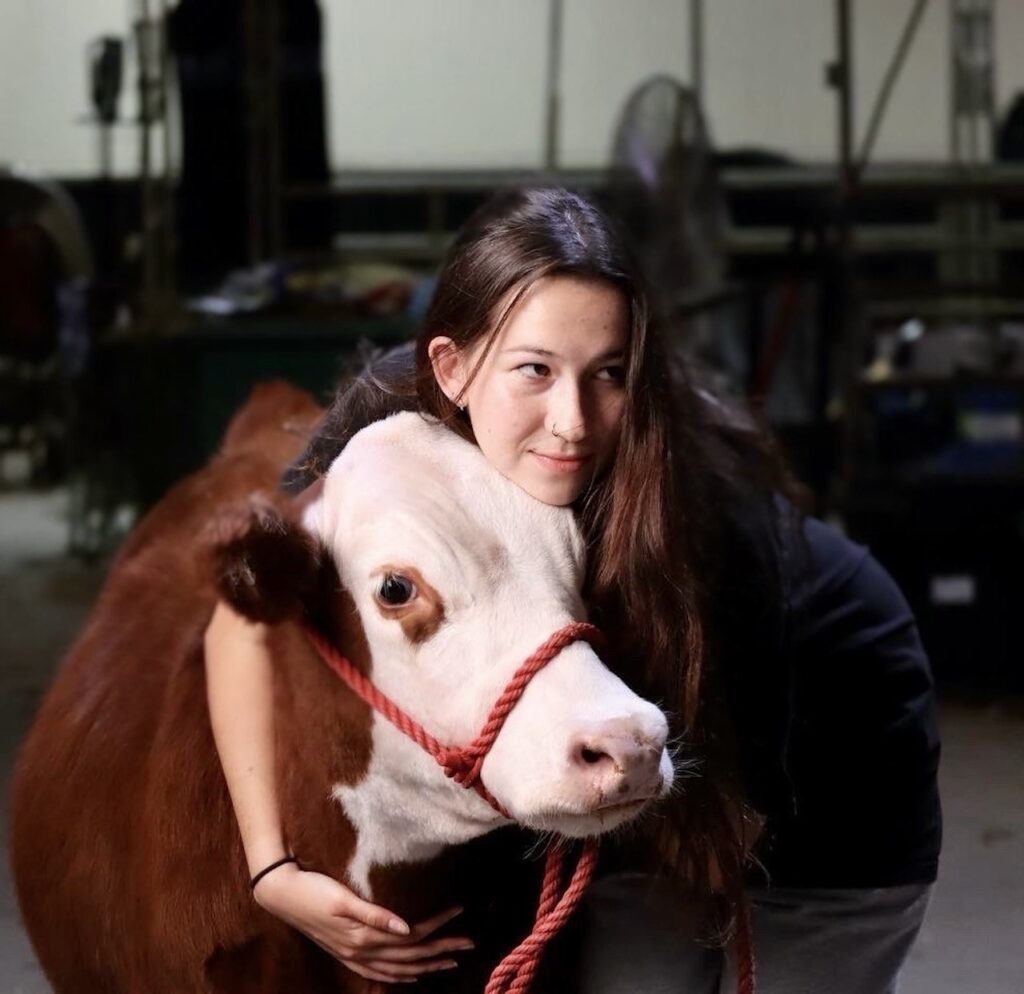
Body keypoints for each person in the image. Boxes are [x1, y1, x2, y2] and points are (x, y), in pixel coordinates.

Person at [204, 187, 941, 992]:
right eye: (534, 369)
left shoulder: (702, 519)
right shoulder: (387, 423)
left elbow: (726, 792)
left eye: (610, 373)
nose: (573, 421)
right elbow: (244, 614)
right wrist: (270, 865)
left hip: (822, 776)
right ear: (453, 367)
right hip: (627, 753)